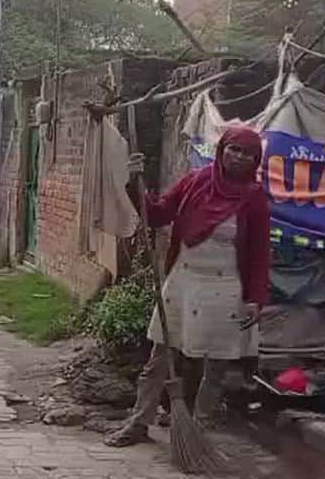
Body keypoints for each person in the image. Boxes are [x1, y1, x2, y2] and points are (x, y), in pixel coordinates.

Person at [106, 124, 271, 447]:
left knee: (215, 367)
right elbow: (157, 215)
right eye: (233, 149)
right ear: (222, 149)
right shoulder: (197, 181)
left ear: (256, 161)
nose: (238, 157)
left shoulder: (253, 199)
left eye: (248, 154)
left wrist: (255, 299)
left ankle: (197, 433)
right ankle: (139, 423)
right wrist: (136, 184)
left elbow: (259, 254)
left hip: (225, 290)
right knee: (157, 359)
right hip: (183, 281)